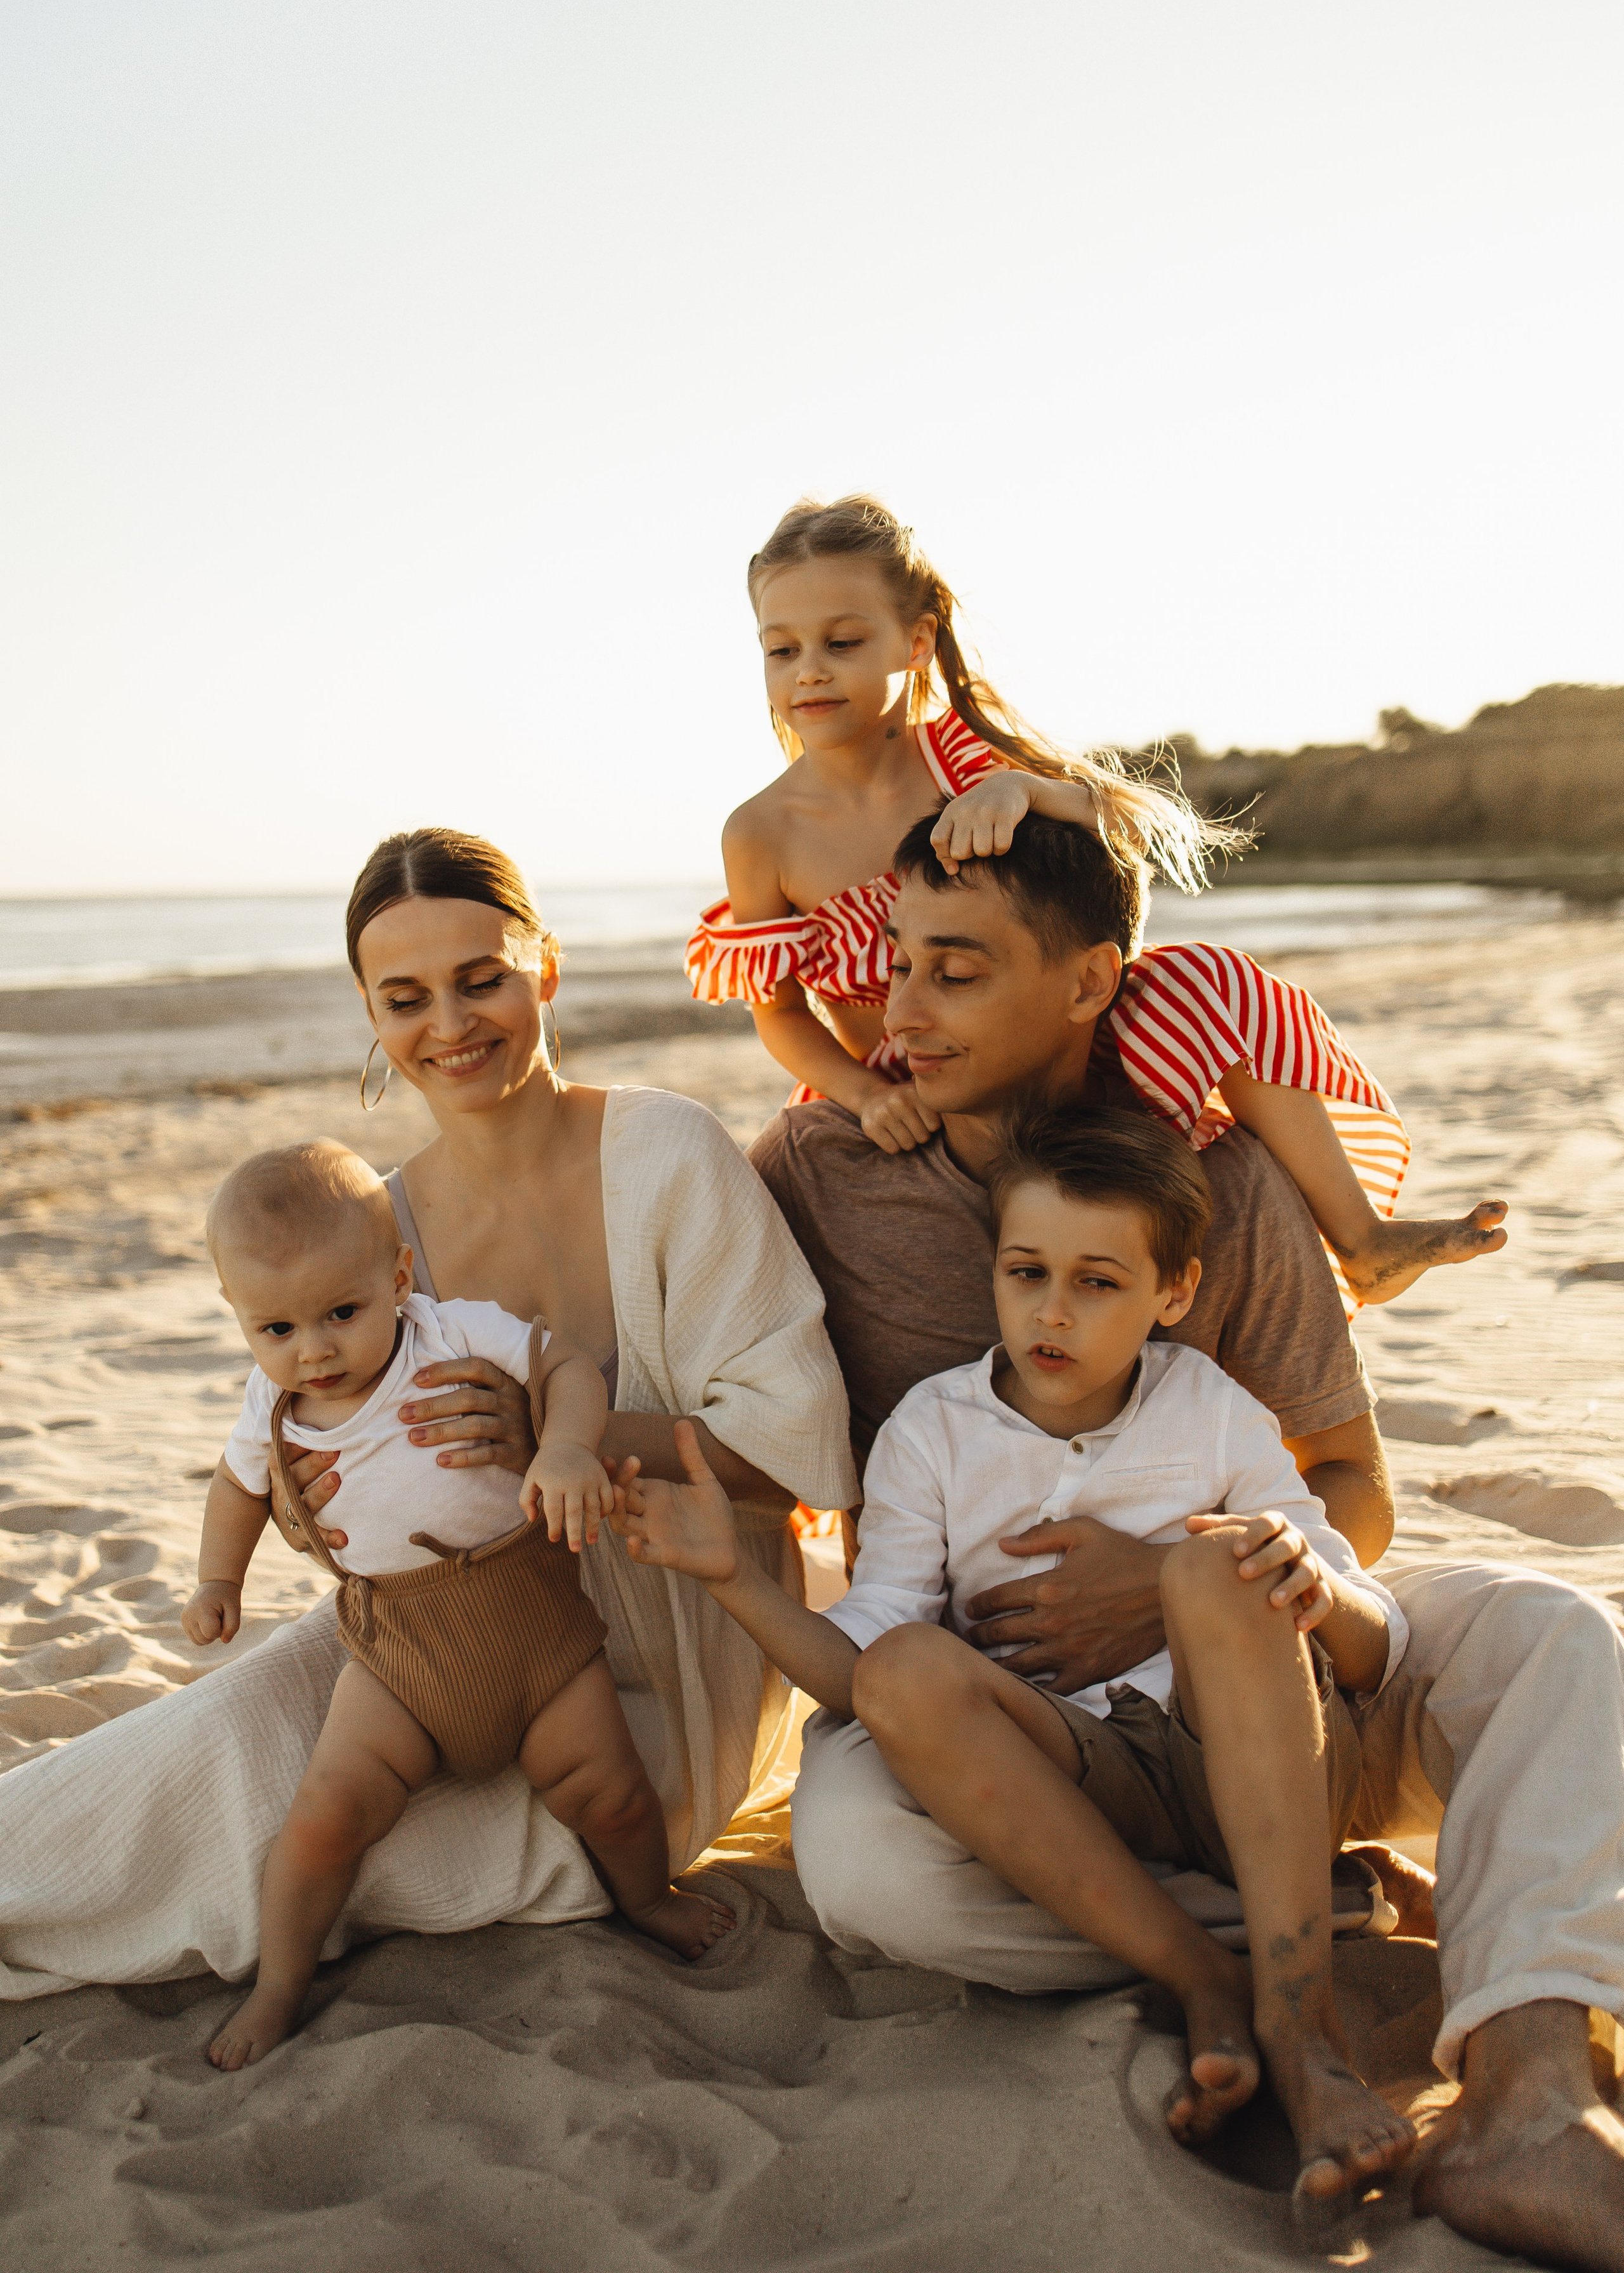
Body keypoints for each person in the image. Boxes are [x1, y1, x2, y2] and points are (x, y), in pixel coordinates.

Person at [757, 807, 1624, 2272]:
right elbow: (701, 1379)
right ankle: (1314, 1915)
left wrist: (1179, 1586)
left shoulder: (1217, 1173)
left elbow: (1349, 1488)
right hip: (1030, 1737)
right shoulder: (821, 1169)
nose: (895, 1013)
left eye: (953, 972)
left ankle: (1528, 2097)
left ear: (1091, 982)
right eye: (895, 964)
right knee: (861, 1870)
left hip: (1274, 1670)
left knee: (1552, 1634)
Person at [0, 827, 855, 1998]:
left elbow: (801, 1457)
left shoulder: (667, 1151)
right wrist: (303, 1510)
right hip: (437, 1625)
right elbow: (332, 1477)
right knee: (220, 1738)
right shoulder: (377, 1225)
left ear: (544, 966)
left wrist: (568, 1436)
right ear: (369, 1009)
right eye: (405, 998)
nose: (448, 1025)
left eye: (481, 979)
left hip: (666, 1642)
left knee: (362, 1860)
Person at [617, 1104, 1415, 2215]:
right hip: (1086, 1780)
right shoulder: (932, 1433)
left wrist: (1304, 1580)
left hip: (1250, 1755)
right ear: (991, 1268)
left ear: (1171, 1295)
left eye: (1098, 1283)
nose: (1052, 1311)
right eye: (1026, 1271)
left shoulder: (1213, 1412)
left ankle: (1301, 2017)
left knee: (1212, 1568)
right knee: (903, 1669)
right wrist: (730, 1577)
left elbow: (1370, 1636)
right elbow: (860, 1677)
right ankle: (1201, 1978)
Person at [688, 491, 1507, 1304]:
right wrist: (867, 1095)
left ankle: (1360, 1239)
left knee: (1212, 978)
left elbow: (1124, 837)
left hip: (1057, 1045)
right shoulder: (762, 832)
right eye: (780, 650)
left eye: (842, 641)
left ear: (915, 641)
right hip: (908, 1075)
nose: (811, 670)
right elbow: (782, 1014)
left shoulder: (965, 756)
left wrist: (1025, 793)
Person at [186, 1139, 732, 2071]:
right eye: (275, 1331)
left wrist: (564, 1448)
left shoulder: (453, 1333)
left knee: (611, 1795)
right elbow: (237, 1490)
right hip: (399, 1652)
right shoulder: (266, 1409)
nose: (313, 1349)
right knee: (326, 1816)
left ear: (398, 1276)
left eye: (341, 1313)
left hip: (538, 1635)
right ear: (240, 1321)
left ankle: (648, 1901)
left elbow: (564, 1367)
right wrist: (217, 1580)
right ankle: (281, 1982)